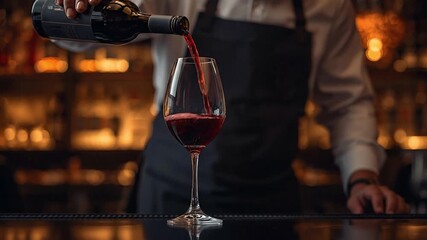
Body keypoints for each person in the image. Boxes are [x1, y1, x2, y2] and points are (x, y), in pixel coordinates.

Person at [57, 0, 410, 214]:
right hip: (170, 195)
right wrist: (80, 7)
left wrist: (362, 178)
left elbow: (348, 103)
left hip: (269, 204)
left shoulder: (328, 7)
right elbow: (83, 32)